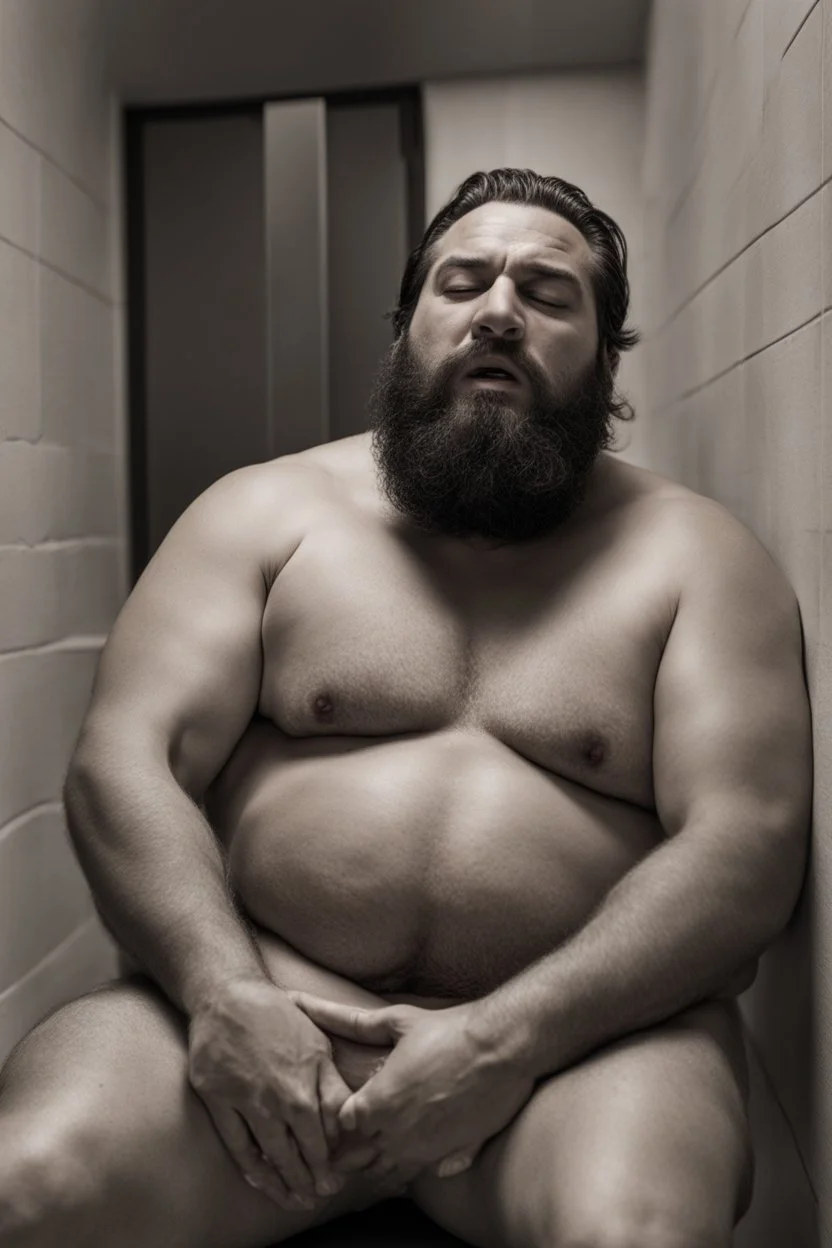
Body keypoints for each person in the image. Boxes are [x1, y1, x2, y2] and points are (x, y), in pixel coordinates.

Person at [0, 168, 811, 1248]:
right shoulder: (266, 513)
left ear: (607, 356)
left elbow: (747, 845)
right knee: (30, 1183)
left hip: (580, 1046)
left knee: (638, 1235)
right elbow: (124, 762)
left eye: (548, 293)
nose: (498, 312)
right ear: (406, 330)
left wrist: (503, 1042)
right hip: (266, 1005)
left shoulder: (697, 557)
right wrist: (222, 995)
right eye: (461, 282)